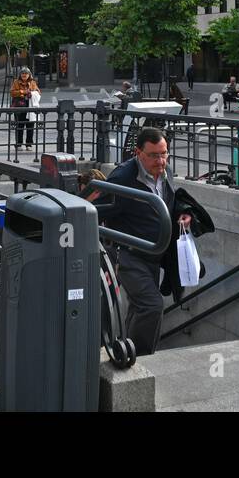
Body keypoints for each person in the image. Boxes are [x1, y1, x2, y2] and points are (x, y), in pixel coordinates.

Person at [90, 126, 193, 356]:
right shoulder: (124, 178)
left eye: (164, 153)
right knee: (152, 305)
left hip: (154, 254)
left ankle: (125, 350)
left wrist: (182, 215)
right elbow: (96, 210)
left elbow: (169, 201)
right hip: (128, 254)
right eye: (154, 155)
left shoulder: (166, 171)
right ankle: (139, 359)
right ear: (138, 153)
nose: (161, 161)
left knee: (139, 306)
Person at [9, 66, 38, 151]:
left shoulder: (33, 82)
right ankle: (18, 144)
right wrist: (23, 92)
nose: (24, 75)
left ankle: (29, 144)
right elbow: (12, 92)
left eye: (26, 73)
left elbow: (38, 92)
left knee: (30, 126)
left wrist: (32, 93)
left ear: (29, 75)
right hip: (19, 107)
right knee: (19, 125)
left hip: (30, 107)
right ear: (20, 75)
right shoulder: (16, 82)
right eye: (22, 73)